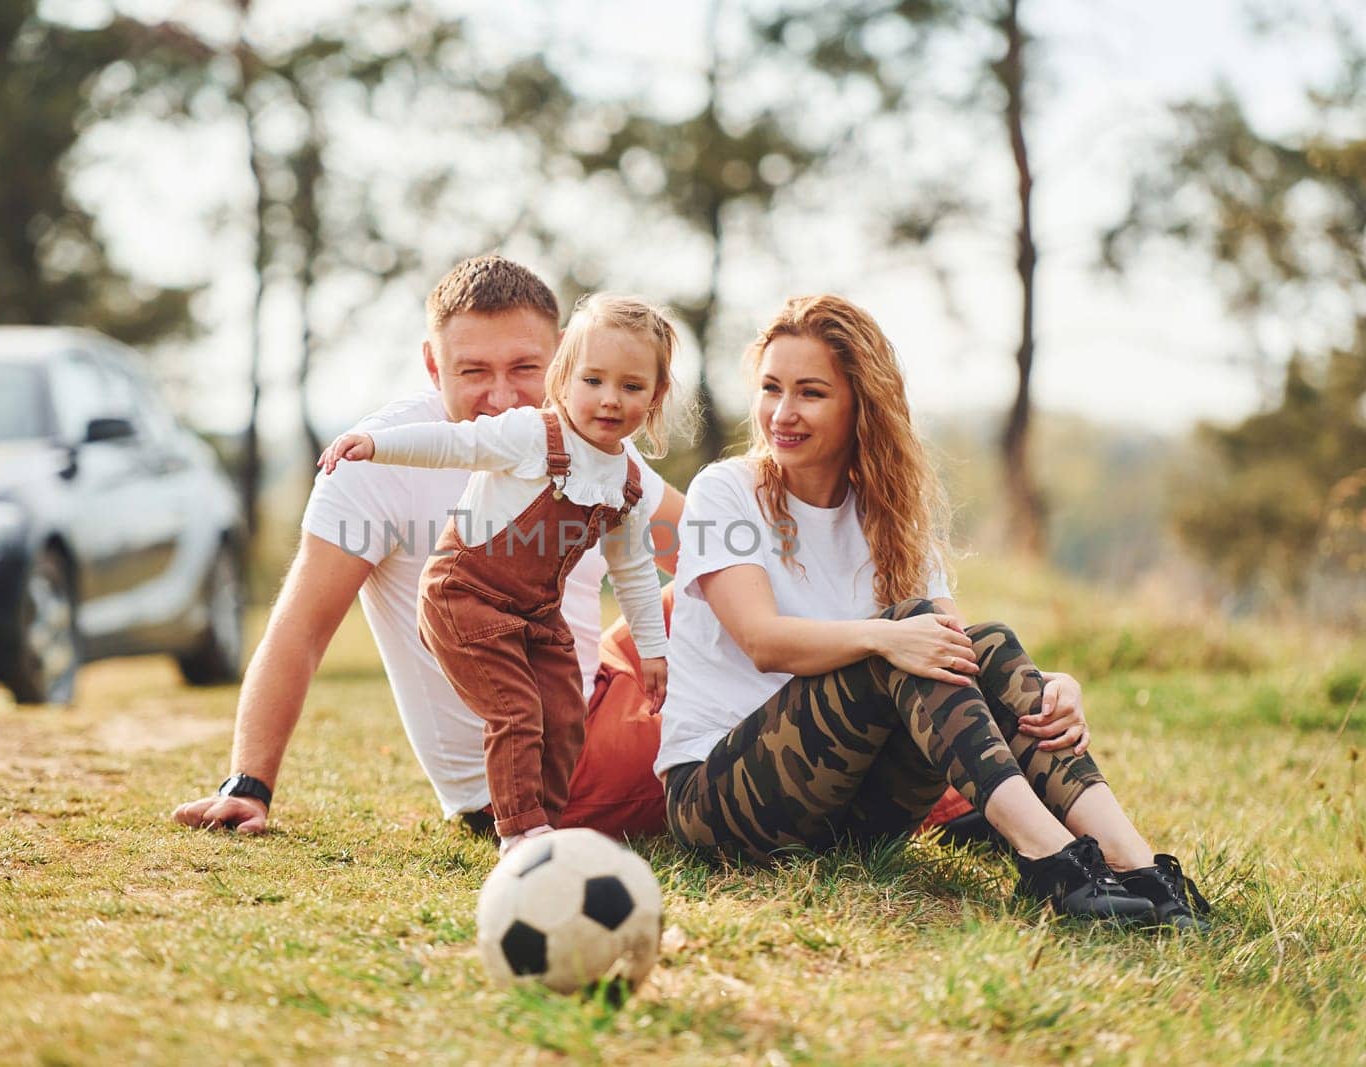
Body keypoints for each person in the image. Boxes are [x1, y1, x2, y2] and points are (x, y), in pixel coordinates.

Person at [656, 294, 1211, 929]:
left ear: (861, 404)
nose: (783, 413)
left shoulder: (887, 514)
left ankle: (1139, 866)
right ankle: (1052, 862)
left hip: (851, 817)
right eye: (771, 388)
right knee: (906, 637)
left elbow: (960, 654)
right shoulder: (725, 492)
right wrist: (887, 639)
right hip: (724, 803)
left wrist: (1051, 688)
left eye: (810, 393)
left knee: (986, 642)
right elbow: (761, 640)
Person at [172, 257, 684, 839]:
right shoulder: (378, 465)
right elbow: (300, 630)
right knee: (736, 713)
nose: (502, 397)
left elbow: (697, 551)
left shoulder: (592, 429)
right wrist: (249, 782)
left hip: (589, 683)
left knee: (729, 590)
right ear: (432, 364)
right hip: (543, 766)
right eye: (472, 371)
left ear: (565, 356)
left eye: (525, 367)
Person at [317, 295, 678, 853]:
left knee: (563, 714)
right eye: (593, 381)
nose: (610, 400)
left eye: (632, 387)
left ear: (655, 397)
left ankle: (546, 823)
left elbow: (632, 570)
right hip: (465, 596)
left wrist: (652, 650)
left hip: (535, 612)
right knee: (518, 709)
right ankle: (518, 833)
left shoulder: (624, 479)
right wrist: (377, 445)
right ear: (564, 377)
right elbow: (454, 444)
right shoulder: (531, 434)